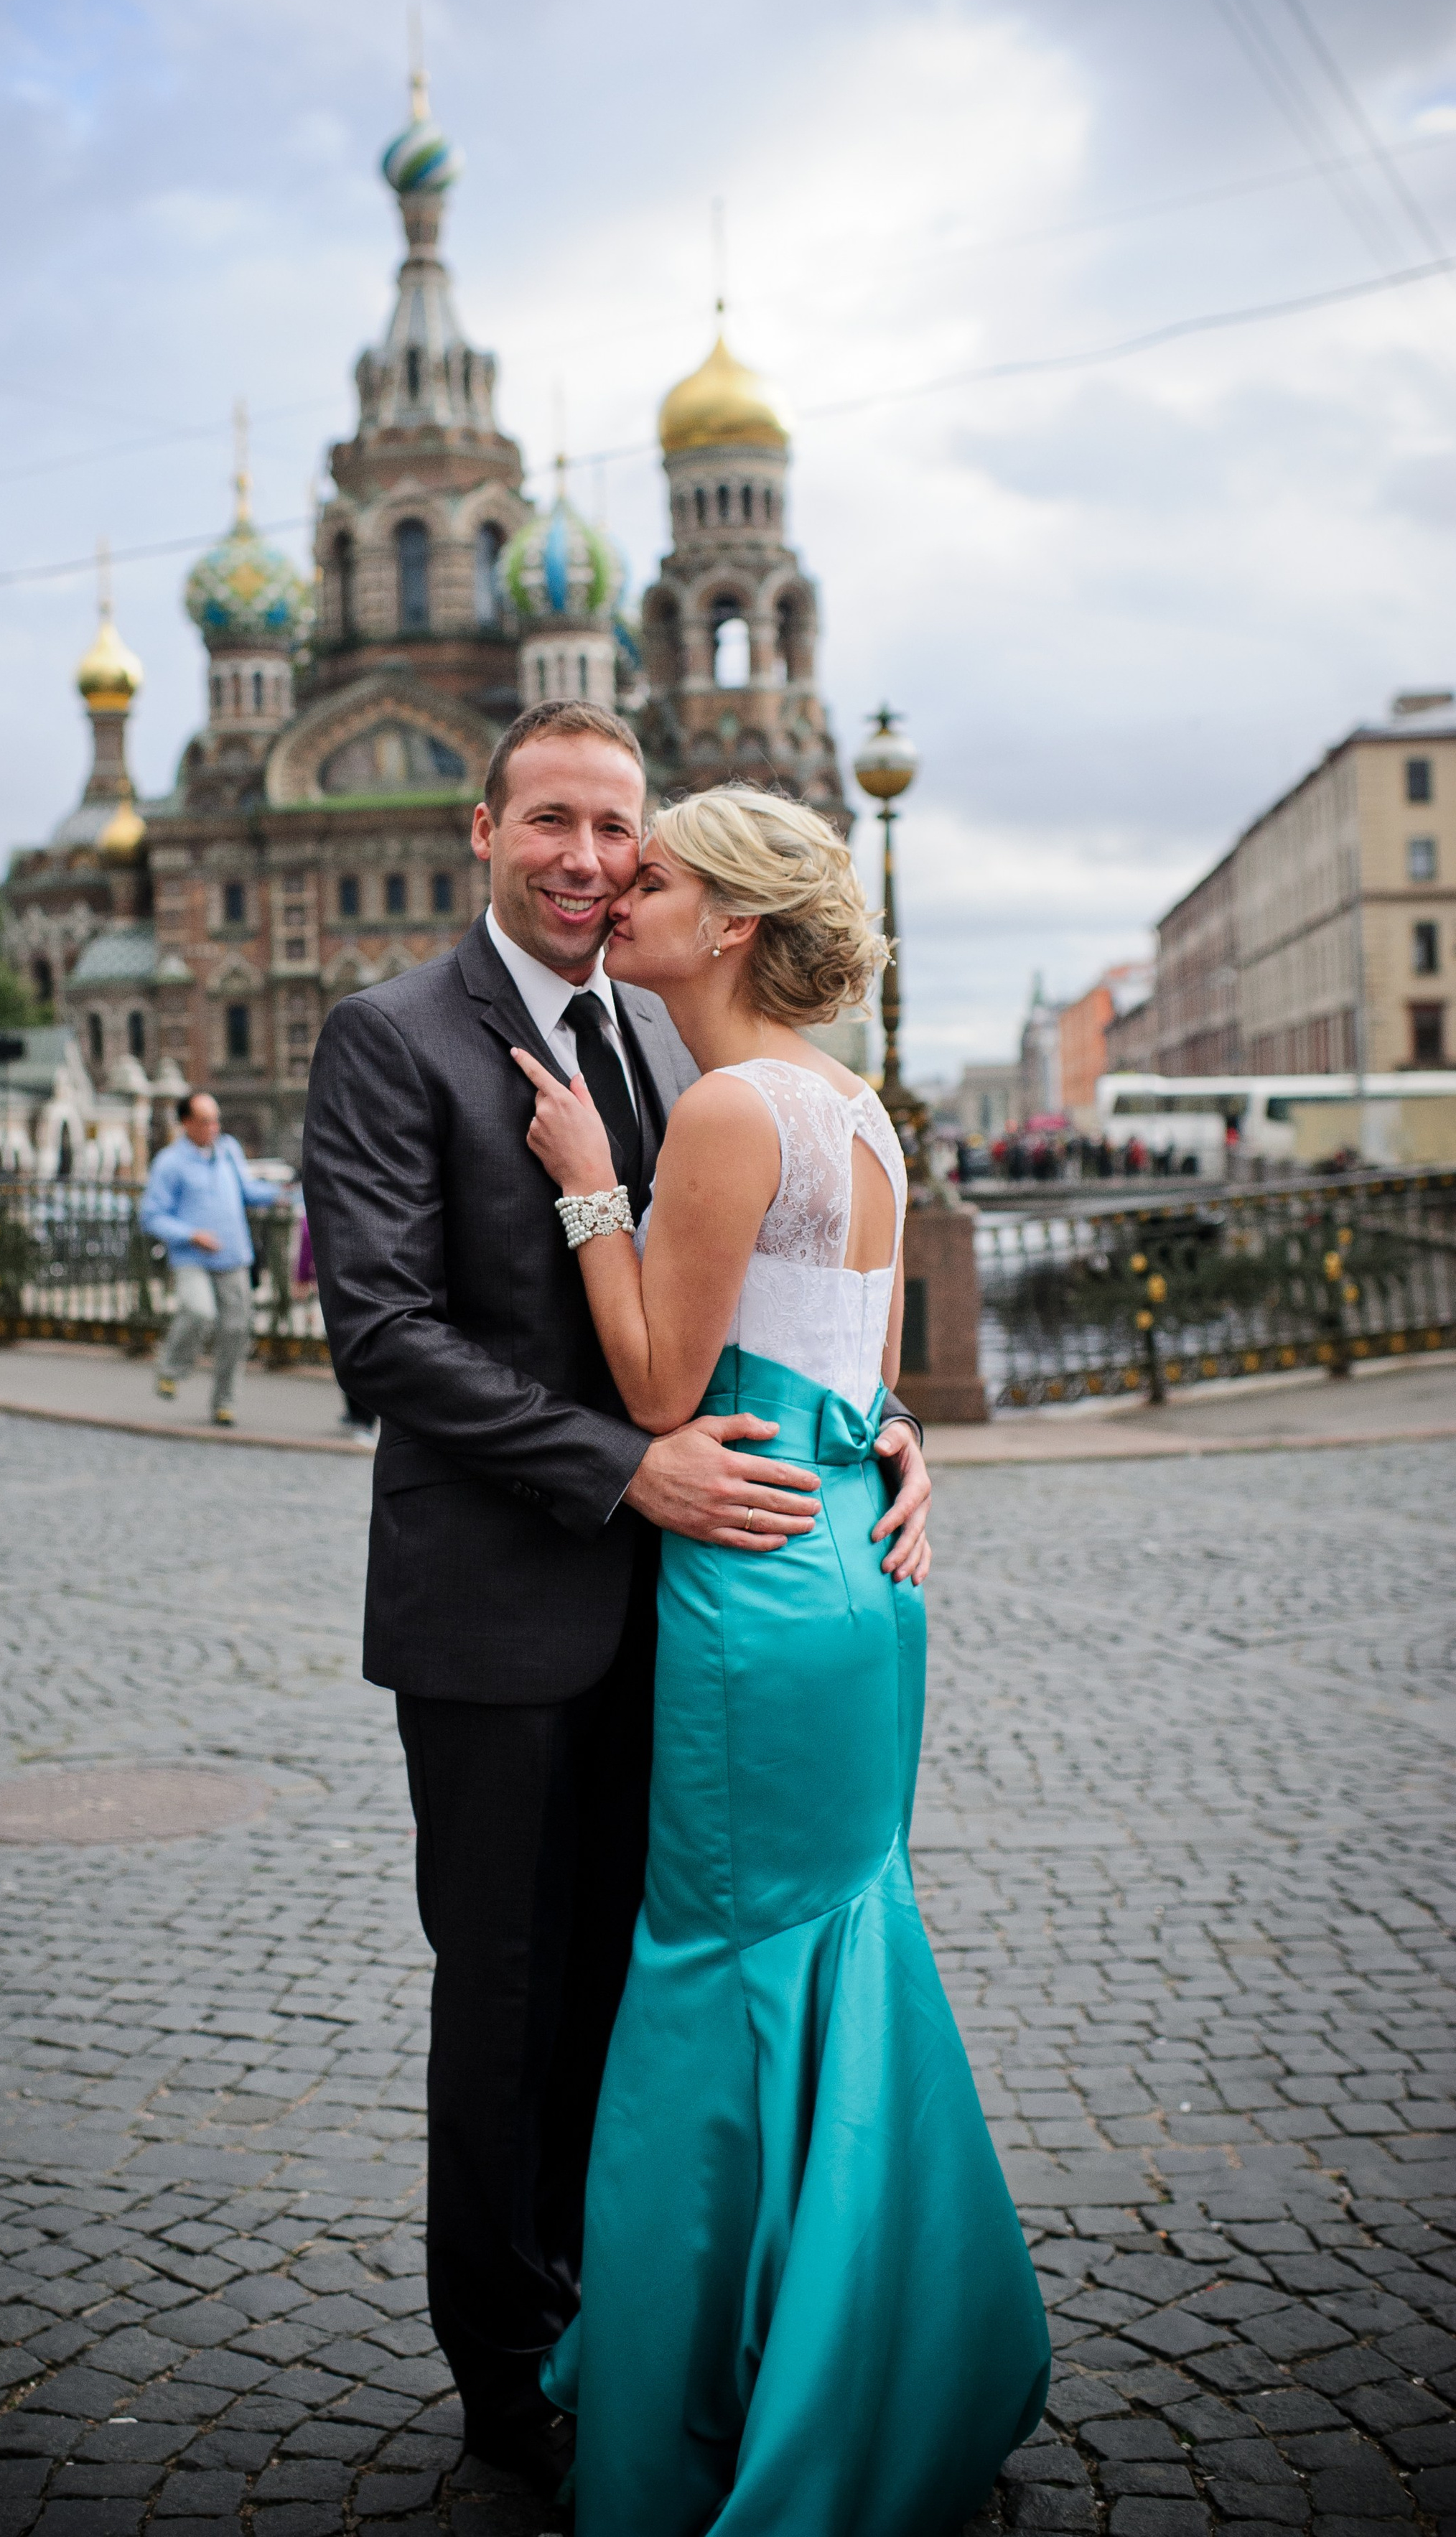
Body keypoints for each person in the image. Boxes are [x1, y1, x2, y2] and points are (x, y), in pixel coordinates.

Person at [301, 699, 933, 2505]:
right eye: (551, 822)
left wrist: (879, 1423)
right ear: (481, 830)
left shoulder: (673, 1032)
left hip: (694, 1608)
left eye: (617, 833)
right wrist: (621, 1467)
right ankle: (508, 2368)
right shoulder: (391, 1034)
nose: (587, 861)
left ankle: (627, 2319)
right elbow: (382, 1335)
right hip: (502, 1611)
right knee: (505, 1994)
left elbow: (766, 1285)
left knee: (633, 1988)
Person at [510, 783, 1050, 2534]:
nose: (620, 890)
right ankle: (874, 2353)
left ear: (730, 923)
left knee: (710, 1972)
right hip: (857, 1574)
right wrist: (903, 1443)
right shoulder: (855, 1108)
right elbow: (860, 1380)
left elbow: (660, 1385)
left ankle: (712, 2404)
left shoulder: (728, 1106)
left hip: (750, 1585)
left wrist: (589, 1191)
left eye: (654, 875)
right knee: (840, 1955)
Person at [140, 1091, 276, 1426]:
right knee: (199, 1311)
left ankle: (224, 1403)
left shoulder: (229, 1150)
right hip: (192, 1257)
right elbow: (151, 1216)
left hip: (234, 1254)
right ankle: (170, 1368)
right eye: (205, 1121)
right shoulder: (170, 1162)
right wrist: (191, 1234)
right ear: (187, 1123)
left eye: (216, 1120)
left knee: (236, 1329)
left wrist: (284, 1193)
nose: (214, 1127)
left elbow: (247, 1191)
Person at [293, 1213, 377, 1442]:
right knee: (346, 1348)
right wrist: (303, 1277)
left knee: (356, 1348)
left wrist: (302, 1277)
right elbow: (308, 1234)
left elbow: (308, 1234)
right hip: (345, 1284)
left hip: (355, 1284)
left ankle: (364, 1416)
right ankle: (356, 1412)